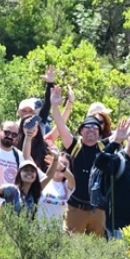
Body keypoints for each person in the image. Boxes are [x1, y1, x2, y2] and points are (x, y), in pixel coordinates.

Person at [50, 85, 110, 236]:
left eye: (95, 127)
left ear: (99, 132)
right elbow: (60, 125)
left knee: (97, 251)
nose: (91, 129)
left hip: (98, 210)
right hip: (75, 208)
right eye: (87, 126)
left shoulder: (104, 147)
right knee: (71, 248)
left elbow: (125, 130)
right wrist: (55, 106)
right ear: (81, 130)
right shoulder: (74, 146)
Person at [0, 156, 58, 220]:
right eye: (26, 170)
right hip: (7, 236)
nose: (29, 173)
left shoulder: (33, 193)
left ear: (36, 176)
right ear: (19, 174)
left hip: (24, 238)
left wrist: (56, 159)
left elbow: (49, 176)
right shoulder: (13, 190)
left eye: (32, 171)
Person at [37, 151, 75, 223]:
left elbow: (71, 178)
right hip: (38, 229)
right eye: (58, 162)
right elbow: (26, 156)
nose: (59, 166)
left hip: (55, 231)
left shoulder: (66, 186)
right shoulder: (42, 178)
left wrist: (60, 166)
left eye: (65, 164)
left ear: (69, 169)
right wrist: (28, 139)